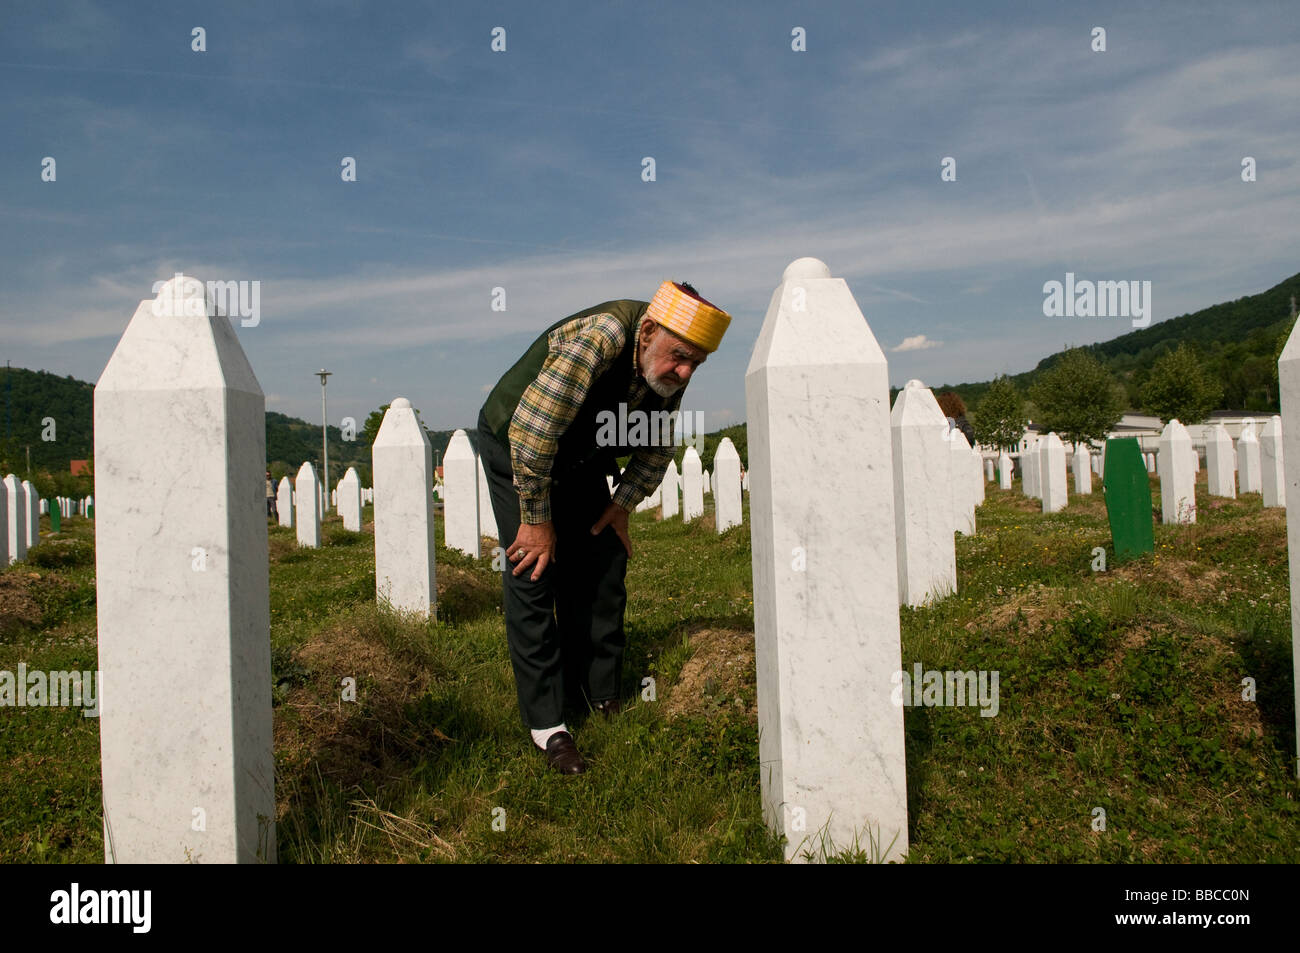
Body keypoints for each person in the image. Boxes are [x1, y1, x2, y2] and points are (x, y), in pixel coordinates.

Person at [477, 280, 731, 774]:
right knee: (534, 568)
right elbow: (534, 435)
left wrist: (622, 504)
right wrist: (537, 522)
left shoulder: (669, 367)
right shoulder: (602, 337)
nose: (684, 372)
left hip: (581, 451)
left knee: (604, 555)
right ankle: (548, 723)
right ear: (648, 331)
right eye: (680, 357)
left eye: (696, 364)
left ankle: (597, 692)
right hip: (519, 444)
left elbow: (657, 442)